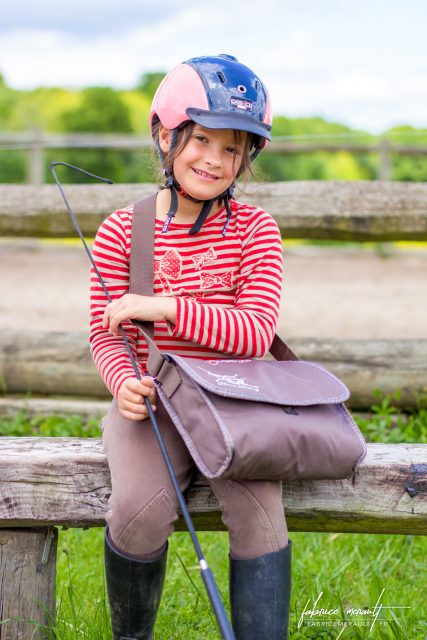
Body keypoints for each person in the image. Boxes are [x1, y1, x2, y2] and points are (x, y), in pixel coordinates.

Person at [90, 54, 292, 640]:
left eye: (233, 149)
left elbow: (254, 331)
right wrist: (122, 381)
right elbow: (107, 332)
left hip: (237, 402)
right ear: (165, 133)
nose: (214, 159)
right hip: (154, 399)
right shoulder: (121, 231)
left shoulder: (256, 230)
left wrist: (166, 306)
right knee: (138, 513)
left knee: (260, 520)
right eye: (201, 139)